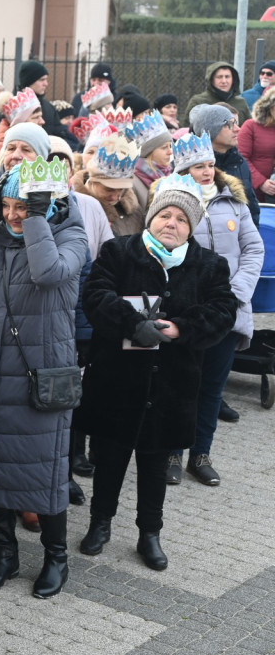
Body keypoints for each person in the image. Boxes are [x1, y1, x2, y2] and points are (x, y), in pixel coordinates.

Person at [77, 175, 236, 571]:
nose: (172, 223)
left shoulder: (208, 265)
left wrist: (182, 329)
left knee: (154, 463)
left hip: (171, 386)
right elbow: (95, 296)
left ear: (190, 228)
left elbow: (223, 311)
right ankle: (100, 524)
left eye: (181, 219)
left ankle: (149, 533)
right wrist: (132, 323)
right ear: (151, 217)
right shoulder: (119, 251)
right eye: (165, 214)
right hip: (117, 381)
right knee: (110, 457)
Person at [0, 162, 87, 599]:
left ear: (49, 204)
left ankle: (56, 558)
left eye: (24, 207)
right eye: (10, 206)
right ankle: (5, 553)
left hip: (42, 373)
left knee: (44, 469)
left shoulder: (71, 235)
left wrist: (36, 218)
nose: (15, 216)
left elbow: (48, 272)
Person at [163, 131, 263, 484]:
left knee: (212, 387)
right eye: (196, 166)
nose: (206, 172)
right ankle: (172, 451)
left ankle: (200, 453)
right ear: (182, 170)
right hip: (186, 314)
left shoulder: (233, 203)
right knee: (181, 384)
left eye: (209, 164)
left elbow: (253, 250)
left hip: (226, 312)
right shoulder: (170, 205)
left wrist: (234, 295)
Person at [190, 103, 261, 225]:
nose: (237, 129)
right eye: (229, 125)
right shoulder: (190, 166)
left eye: (236, 124)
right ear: (211, 130)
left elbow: (251, 208)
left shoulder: (239, 163)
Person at [72, 132, 144, 237]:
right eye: (109, 189)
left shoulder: (135, 211)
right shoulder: (74, 208)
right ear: (92, 181)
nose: (116, 196)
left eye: (121, 189)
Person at [127, 110, 174, 210]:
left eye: (170, 146)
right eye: (164, 147)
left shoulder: (172, 176)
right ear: (149, 152)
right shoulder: (132, 183)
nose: (170, 152)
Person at [182, 61, 251, 127]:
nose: (224, 81)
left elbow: (249, 129)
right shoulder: (198, 102)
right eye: (219, 77)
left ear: (233, 79)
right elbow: (187, 129)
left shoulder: (241, 103)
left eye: (227, 77)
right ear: (211, 80)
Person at [239, 86, 275, 205]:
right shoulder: (251, 126)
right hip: (253, 193)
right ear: (269, 106)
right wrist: (261, 182)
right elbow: (241, 158)